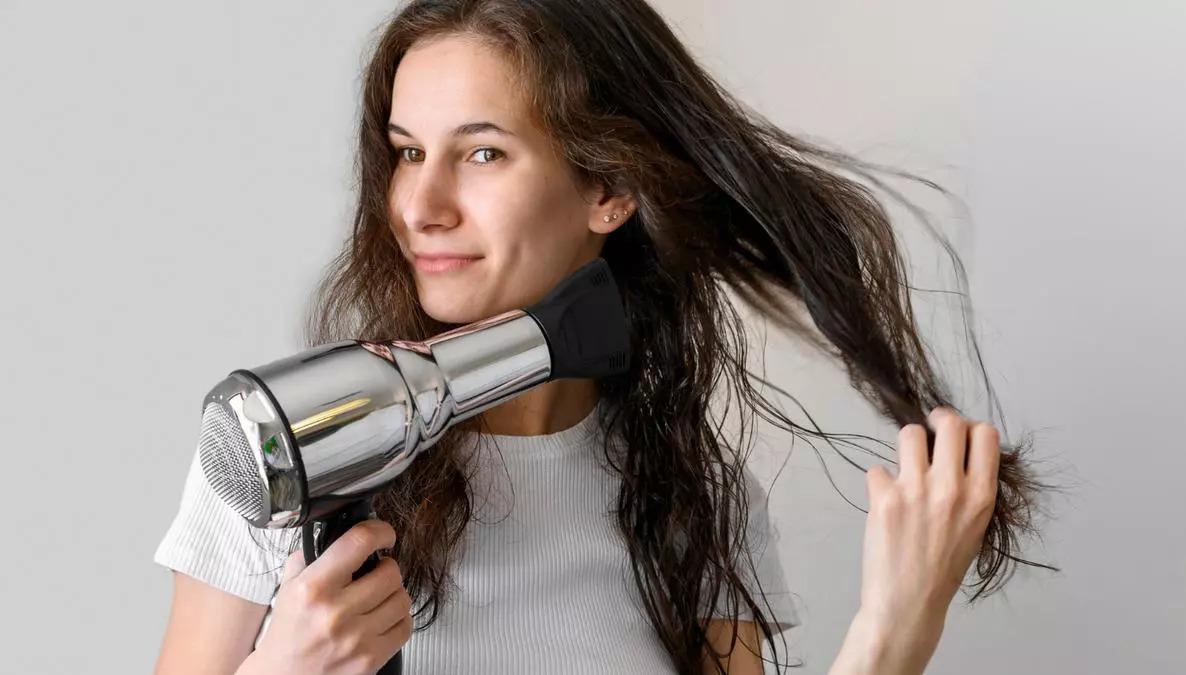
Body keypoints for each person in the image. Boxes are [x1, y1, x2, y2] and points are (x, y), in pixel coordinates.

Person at [152, 1, 1056, 674]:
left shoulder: (689, 506)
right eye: (407, 151)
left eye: (482, 153)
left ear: (608, 192)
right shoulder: (277, 456)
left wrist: (895, 629)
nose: (420, 208)